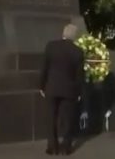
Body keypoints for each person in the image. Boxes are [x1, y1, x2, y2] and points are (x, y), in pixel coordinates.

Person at [39, 24, 85, 155]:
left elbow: (44, 68)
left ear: (63, 33)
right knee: (67, 119)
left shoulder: (51, 46)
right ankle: (66, 147)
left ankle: (52, 147)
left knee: (51, 118)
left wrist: (41, 86)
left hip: (51, 88)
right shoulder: (78, 51)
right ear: (75, 36)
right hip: (69, 90)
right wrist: (79, 92)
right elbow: (79, 75)